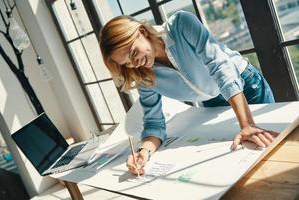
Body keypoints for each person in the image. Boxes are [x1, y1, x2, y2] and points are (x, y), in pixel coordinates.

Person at [99, 11, 278, 175]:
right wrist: (143, 152)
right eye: (126, 63)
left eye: (132, 53)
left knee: (270, 149)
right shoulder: (143, 77)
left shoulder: (181, 24)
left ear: (142, 32)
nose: (135, 63)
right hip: (211, 103)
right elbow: (153, 122)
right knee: (242, 162)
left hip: (245, 87)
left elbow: (220, 67)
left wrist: (246, 123)